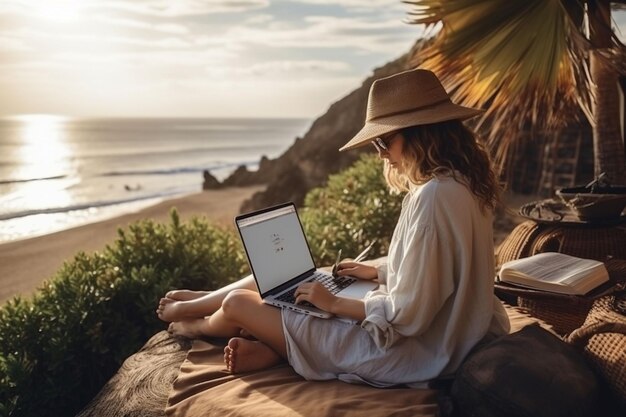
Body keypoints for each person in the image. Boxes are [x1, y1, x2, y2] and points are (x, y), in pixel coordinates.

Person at [156, 68, 511, 387]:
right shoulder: (462, 184)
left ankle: (195, 324)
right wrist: (378, 270)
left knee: (239, 303)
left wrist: (337, 304)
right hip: (449, 335)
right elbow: (438, 270)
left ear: (420, 134)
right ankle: (213, 310)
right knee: (291, 279)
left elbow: (409, 316)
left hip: (413, 352)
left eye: (383, 141)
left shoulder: (433, 197)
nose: (381, 154)